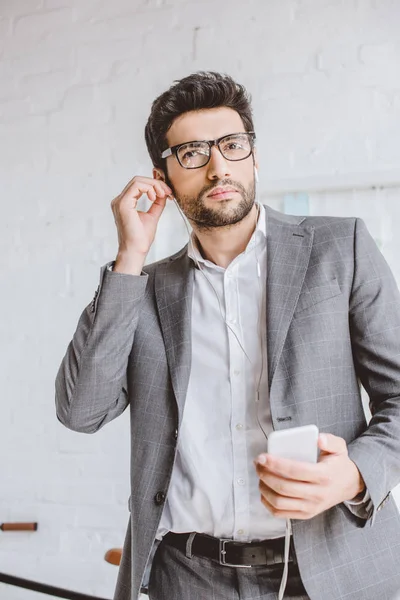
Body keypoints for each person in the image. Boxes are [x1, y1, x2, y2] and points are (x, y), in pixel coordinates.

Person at [55, 72, 400, 600]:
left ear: (253, 157)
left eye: (232, 145)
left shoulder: (341, 248)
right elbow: (82, 411)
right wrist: (129, 258)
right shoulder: (141, 289)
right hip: (187, 575)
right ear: (163, 178)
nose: (218, 166)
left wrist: (355, 473)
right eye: (192, 153)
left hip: (330, 568)